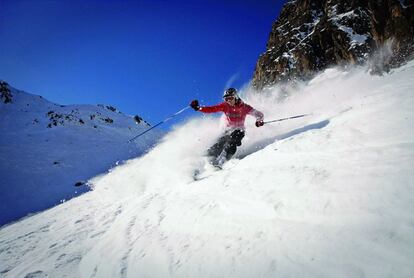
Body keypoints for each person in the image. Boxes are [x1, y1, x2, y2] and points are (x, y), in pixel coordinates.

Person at [190, 88, 264, 168]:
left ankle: (222, 162)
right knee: (218, 145)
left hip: (239, 130)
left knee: (232, 141)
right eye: (226, 99)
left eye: (231, 98)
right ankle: (203, 162)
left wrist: (259, 120)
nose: (229, 101)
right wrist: (198, 108)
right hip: (227, 131)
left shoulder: (245, 107)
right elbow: (211, 109)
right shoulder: (225, 106)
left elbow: (259, 114)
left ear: (235, 97)